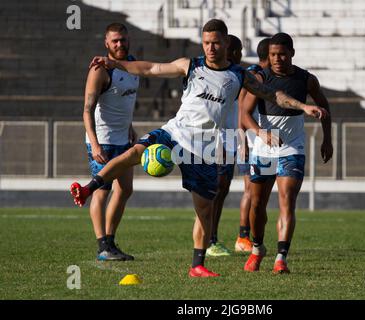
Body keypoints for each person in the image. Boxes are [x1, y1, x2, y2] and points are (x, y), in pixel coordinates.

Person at [70, 19, 327, 277]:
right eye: (206, 43)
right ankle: (88, 187)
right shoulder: (191, 65)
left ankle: (197, 265)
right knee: (134, 152)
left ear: (226, 42)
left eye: (215, 42)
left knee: (204, 209)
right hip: (176, 132)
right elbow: (150, 68)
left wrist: (303, 107)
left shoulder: (239, 75)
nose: (210, 48)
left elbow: (274, 96)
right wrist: (114, 63)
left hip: (203, 148)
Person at [241, 33, 333, 274]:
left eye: (281, 54)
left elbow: (324, 108)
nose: (277, 59)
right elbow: (244, 114)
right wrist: (260, 133)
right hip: (263, 150)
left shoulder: (306, 79)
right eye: (272, 55)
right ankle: (257, 248)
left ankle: (281, 257)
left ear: (292, 53)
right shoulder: (260, 78)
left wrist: (327, 139)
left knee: (287, 200)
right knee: (257, 205)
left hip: (292, 148)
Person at [81, 23, 137, 261]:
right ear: (106, 43)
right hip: (103, 141)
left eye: (123, 40)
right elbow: (87, 110)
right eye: (115, 41)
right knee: (101, 192)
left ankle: (111, 242)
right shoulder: (100, 70)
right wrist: (94, 144)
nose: (120, 44)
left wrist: (130, 126)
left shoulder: (132, 65)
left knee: (125, 189)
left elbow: (124, 101)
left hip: (123, 139)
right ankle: (102, 246)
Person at [206, 34, 243, 257]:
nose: (237, 56)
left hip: (229, 142)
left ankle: (213, 238)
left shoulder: (238, 77)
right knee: (213, 191)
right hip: (214, 142)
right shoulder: (220, 77)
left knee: (221, 192)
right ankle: (209, 240)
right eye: (235, 51)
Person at [234, 37, 271, 253]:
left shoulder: (262, 75)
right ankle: (242, 237)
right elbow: (242, 108)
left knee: (255, 192)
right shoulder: (253, 75)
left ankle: (248, 236)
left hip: (258, 140)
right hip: (250, 140)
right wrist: (242, 141)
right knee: (250, 190)